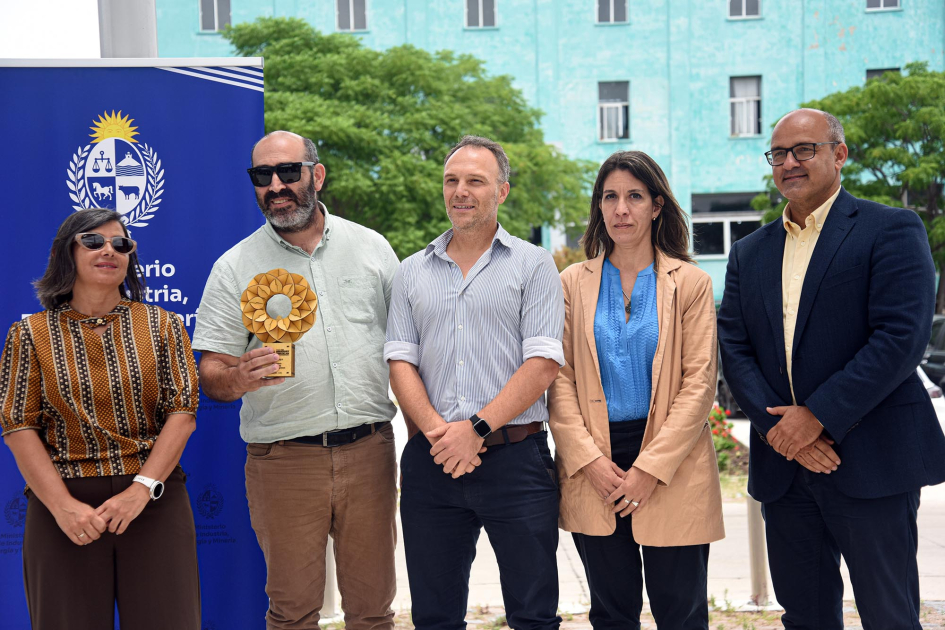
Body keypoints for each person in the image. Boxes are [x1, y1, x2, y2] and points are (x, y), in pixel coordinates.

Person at [718, 108, 945, 629]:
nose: (789, 163)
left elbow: (899, 340)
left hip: (871, 461)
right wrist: (783, 429)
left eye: (805, 150)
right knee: (805, 616)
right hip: (785, 469)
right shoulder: (749, 253)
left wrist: (816, 416)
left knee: (888, 614)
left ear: (839, 155)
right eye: (779, 154)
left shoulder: (890, 228)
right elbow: (733, 346)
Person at [192, 130, 400, 630]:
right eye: (262, 176)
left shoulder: (372, 248)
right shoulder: (233, 267)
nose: (277, 185)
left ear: (317, 175)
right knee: (292, 614)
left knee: (373, 613)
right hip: (283, 463)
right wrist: (238, 376)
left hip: (369, 453)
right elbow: (211, 375)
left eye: (288, 172)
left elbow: (411, 349)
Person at [385, 135, 564, 630]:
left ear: (502, 191)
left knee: (534, 615)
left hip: (517, 464)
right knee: (435, 617)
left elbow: (544, 360)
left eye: (475, 181)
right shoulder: (410, 272)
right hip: (432, 463)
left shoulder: (534, 264)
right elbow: (400, 361)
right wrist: (443, 435)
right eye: (451, 180)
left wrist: (475, 429)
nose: (460, 191)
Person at [0, 208, 200, 630]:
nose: (109, 250)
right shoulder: (29, 334)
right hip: (63, 509)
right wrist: (63, 507)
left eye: (120, 244)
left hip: (153, 501)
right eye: (93, 241)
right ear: (66, 253)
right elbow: (18, 426)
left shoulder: (164, 326)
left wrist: (141, 490)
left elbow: (182, 414)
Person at [548, 151, 723, 629]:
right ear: (599, 208)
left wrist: (649, 468)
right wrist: (588, 460)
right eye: (610, 197)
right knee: (610, 613)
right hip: (595, 463)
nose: (621, 209)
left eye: (634, 196)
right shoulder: (569, 284)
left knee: (682, 613)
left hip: (672, 462)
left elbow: (699, 383)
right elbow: (558, 380)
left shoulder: (691, 283)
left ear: (656, 206)